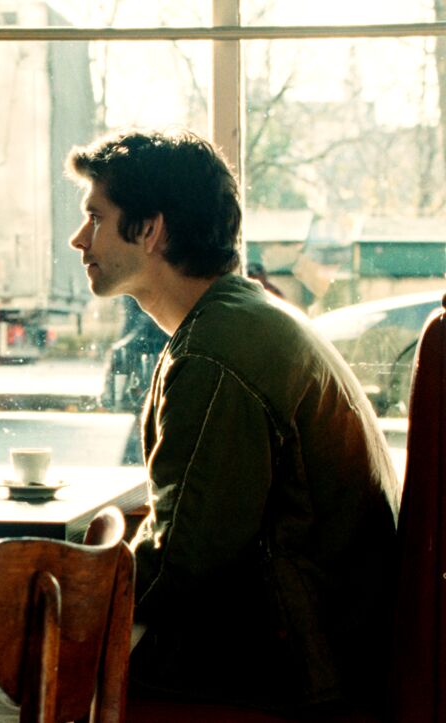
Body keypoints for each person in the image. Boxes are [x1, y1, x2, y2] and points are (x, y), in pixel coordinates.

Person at [64, 129, 399, 716]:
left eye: (96, 217)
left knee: (17, 667)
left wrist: (66, 595)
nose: (79, 238)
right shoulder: (242, 317)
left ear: (150, 230)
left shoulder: (213, 353)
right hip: (326, 640)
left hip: (294, 668)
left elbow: (183, 568)